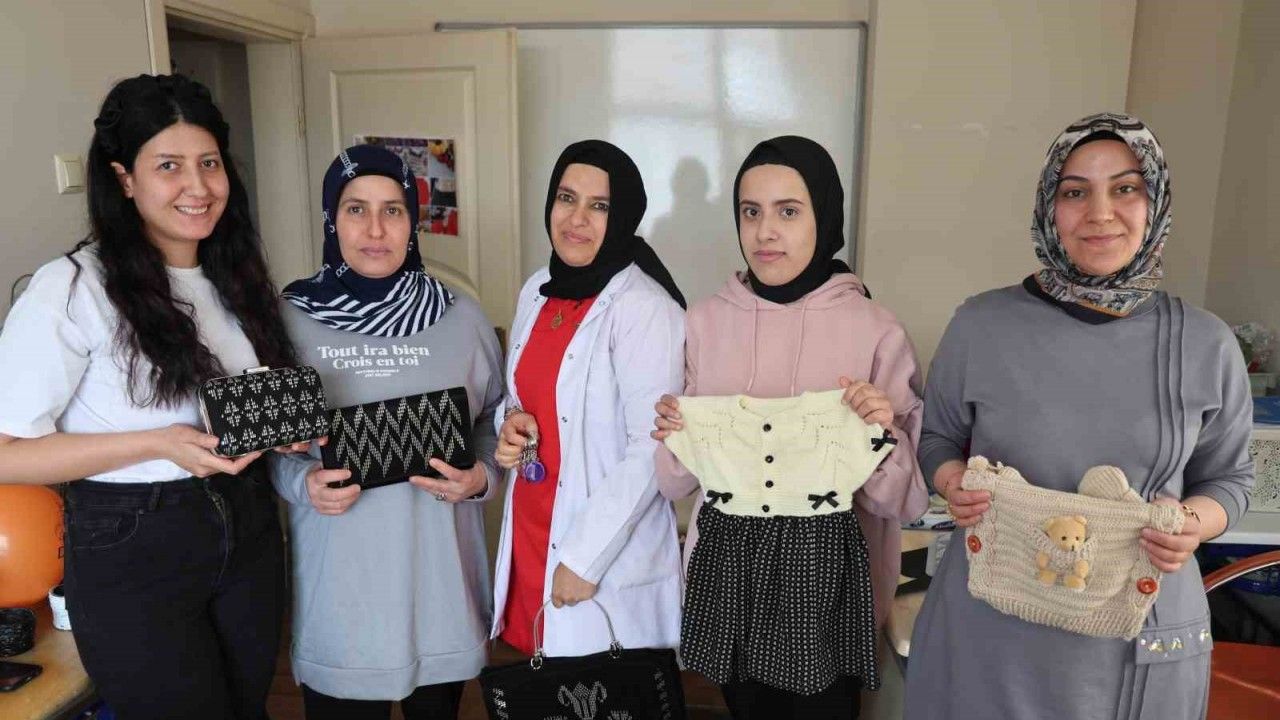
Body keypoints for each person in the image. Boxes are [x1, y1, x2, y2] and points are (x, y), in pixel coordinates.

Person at [903, 112, 1255, 720]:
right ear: (1049, 206)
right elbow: (937, 438)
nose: (1099, 213)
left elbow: (1231, 480)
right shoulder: (981, 325)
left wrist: (1192, 524)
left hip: (1134, 638)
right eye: (1074, 192)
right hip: (990, 627)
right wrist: (952, 481)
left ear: (1155, 202)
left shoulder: (1206, 343)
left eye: (1126, 188)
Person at [0, 74, 298, 719]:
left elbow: (232, 407)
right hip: (134, 541)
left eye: (209, 163)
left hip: (247, 527)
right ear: (124, 179)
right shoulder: (71, 288)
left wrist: (282, 428)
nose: (198, 186)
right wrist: (157, 443)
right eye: (169, 166)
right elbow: (6, 453)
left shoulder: (234, 278)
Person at [651, 135, 928, 719]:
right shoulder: (702, 323)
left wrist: (881, 434)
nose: (765, 232)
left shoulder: (877, 330)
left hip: (829, 594)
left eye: (788, 211)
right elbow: (676, 485)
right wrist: (675, 431)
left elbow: (903, 502)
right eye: (751, 212)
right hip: (729, 585)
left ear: (823, 217)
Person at [272, 144, 503, 719]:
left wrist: (480, 477)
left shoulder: (462, 317)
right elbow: (268, 448)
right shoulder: (285, 321)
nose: (375, 230)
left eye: (392, 210)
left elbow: (495, 421)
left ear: (412, 221)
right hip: (340, 599)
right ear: (332, 218)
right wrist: (303, 484)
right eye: (356, 209)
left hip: (441, 594)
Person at [492, 139, 686, 657]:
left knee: (599, 688)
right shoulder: (538, 288)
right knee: (540, 684)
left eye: (599, 206)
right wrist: (508, 424)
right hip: (533, 527)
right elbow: (520, 396)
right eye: (566, 198)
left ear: (622, 217)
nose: (576, 219)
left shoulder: (646, 308)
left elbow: (653, 447)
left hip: (600, 552)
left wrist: (584, 559)